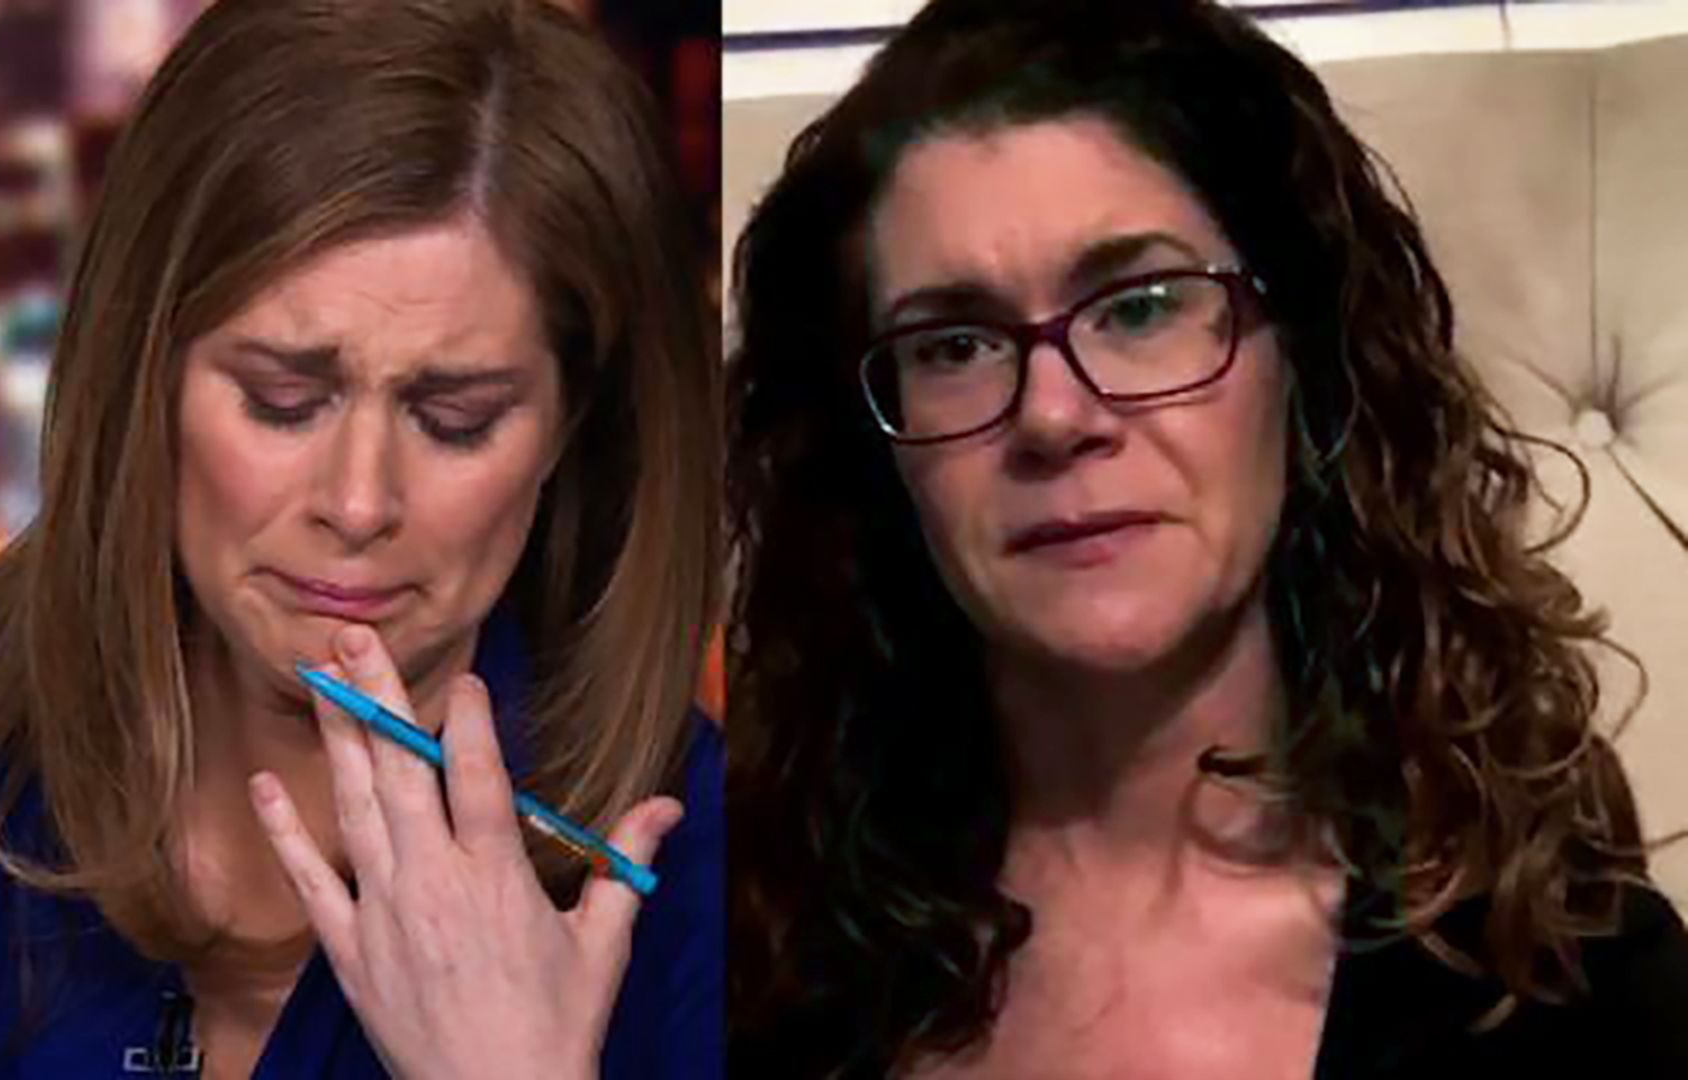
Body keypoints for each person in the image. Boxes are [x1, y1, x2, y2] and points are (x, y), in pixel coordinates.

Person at [723, 0, 1688, 1076]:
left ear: (1303, 361)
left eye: (1139, 307)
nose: (1053, 416)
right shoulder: (751, 955)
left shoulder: (1557, 979)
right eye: (954, 344)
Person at [0, 1, 722, 1077]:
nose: (357, 503)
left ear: (569, 425)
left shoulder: (709, 871)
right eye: (281, 401)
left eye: (455, 419)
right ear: (146, 376)